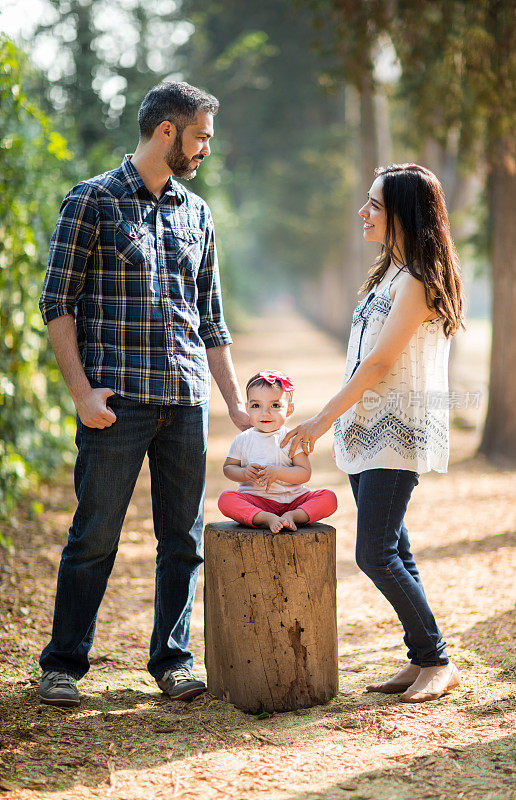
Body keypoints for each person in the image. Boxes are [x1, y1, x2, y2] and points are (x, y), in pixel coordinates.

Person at [38, 81, 249, 707]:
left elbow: (210, 319)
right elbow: (57, 304)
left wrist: (235, 402)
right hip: (116, 403)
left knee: (180, 541)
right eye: (201, 137)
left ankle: (173, 661)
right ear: (167, 132)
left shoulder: (197, 213)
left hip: (185, 401)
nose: (207, 148)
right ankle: (63, 665)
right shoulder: (91, 202)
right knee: (95, 534)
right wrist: (81, 393)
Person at [283, 164, 464, 703]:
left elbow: (381, 362)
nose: (363, 213)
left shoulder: (416, 281)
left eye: (375, 205)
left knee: (375, 553)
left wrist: (321, 419)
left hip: (396, 431)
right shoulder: (389, 274)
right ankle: (422, 658)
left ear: (404, 214)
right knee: (396, 549)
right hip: (368, 432)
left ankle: (436, 660)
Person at [219, 370, 338, 533]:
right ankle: (265, 518)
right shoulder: (243, 440)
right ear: (247, 408)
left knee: (328, 498)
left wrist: (279, 473)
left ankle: (294, 516)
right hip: (256, 500)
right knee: (226, 499)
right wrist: (244, 473)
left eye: (275, 405)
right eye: (256, 406)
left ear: (289, 409)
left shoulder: (292, 438)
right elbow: (228, 469)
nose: (265, 412)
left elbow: (305, 473)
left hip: (294, 500)